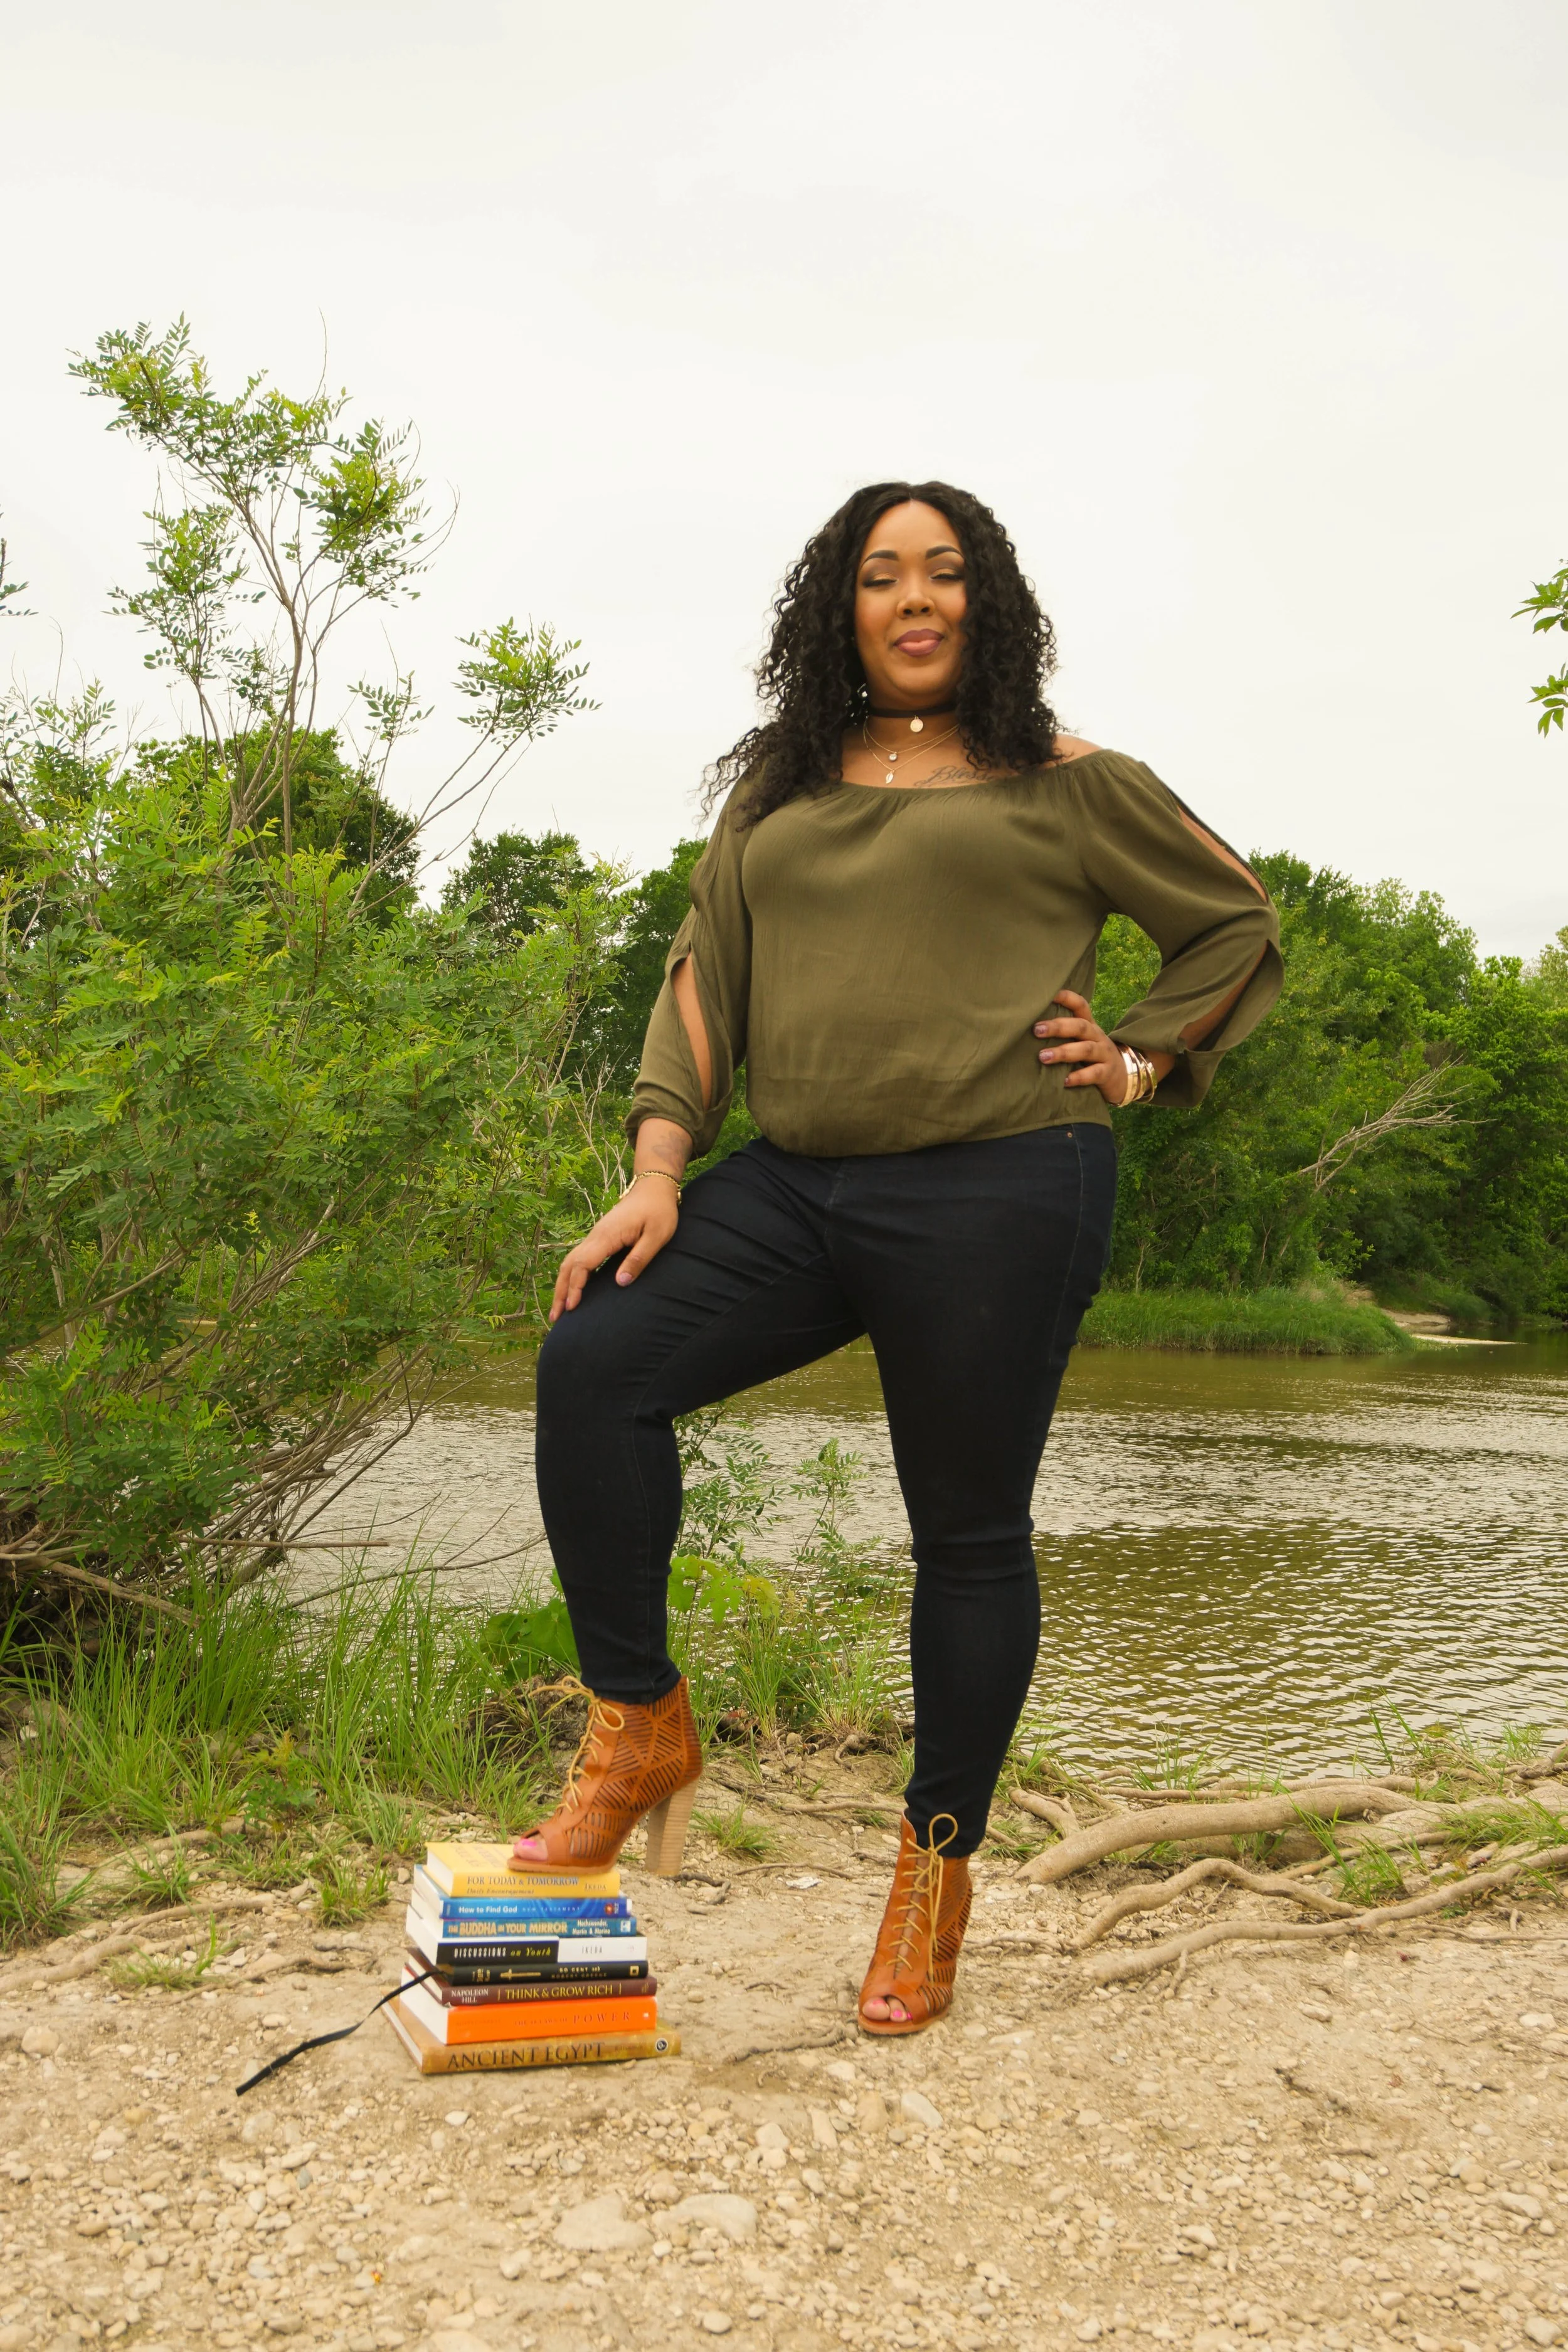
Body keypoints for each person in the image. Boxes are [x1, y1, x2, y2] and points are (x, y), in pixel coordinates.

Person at [511, 480, 1282, 2036]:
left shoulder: (1070, 783)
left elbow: (1233, 925)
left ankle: (932, 1876)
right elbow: (699, 980)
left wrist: (1133, 1062)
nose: (915, 600)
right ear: (839, 611)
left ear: (984, 606)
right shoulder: (777, 794)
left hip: (1002, 1185)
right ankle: (639, 1726)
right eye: (881, 577)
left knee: (966, 1534)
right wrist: (658, 1169)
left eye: (944, 574)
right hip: (792, 1185)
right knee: (594, 1362)